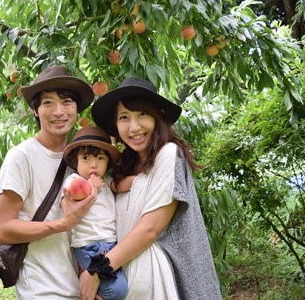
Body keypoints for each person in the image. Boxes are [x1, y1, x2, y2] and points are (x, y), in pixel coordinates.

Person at [79, 77, 222, 300]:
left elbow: (150, 229)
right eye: (124, 118)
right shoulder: (121, 169)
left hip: (161, 284)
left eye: (142, 114)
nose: (134, 127)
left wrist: (98, 270)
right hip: (125, 283)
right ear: (115, 125)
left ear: (158, 117)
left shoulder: (168, 154)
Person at [0, 65, 97, 299]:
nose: (58, 111)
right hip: (43, 289)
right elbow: (3, 230)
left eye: (67, 102)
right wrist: (64, 223)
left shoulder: (83, 158)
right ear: (35, 111)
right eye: (48, 103)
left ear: (77, 109)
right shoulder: (21, 157)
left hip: (84, 287)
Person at [62, 126, 128, 300]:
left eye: (100, 158)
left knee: (120, 288)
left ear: (107, 163)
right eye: (86, 158)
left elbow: (120, 185)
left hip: (111, 246)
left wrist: (143, 179)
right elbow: (74, 196)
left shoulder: (106, 179)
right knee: (117, 291)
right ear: (76, 162)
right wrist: (91, 186)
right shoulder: (75, 180)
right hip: (88, 246)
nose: (93, 164)